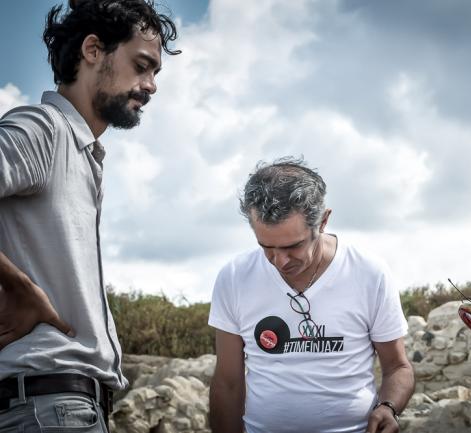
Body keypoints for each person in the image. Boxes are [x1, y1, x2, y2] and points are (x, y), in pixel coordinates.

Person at [0, 0, 179, 431]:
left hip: (66, 407)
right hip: (47, 404)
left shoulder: (82, 154)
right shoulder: (43, 130)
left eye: (155, 73)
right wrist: (19, 286)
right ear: (93, 50)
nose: (151, 85)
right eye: (142, 66)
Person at [208, 158, 414, 433]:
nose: (279, 261)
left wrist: (388, 407)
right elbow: (227, 383)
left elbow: (398, 367)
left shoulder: (369, 273)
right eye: (266, 247)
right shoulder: (234, 277)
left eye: (293, 246)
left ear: (323, 221)